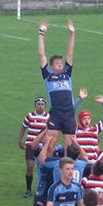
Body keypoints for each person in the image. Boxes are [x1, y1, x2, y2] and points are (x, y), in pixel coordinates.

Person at [38, 18, 77, 149]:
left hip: (69, 113)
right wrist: (41, 34)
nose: (60, 66)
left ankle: (69, 168)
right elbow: (41, 54)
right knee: (50, 144)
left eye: (61, 64)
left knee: (70, 146)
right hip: (56, 113)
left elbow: (70, 54)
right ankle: (48, 167)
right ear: (52, 66)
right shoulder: (48, 75)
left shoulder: (66, 74)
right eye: (57, 64)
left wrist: (72, 34)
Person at [73, 88, 103, 172]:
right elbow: (71, 112)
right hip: (80, 164)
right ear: (80, 120)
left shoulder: (95, 129)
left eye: (88, 118)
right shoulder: (76, 129)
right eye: (84, 118)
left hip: (92, 165)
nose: (87, 120)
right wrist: (80, 98)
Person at [18, 96, 49, 198]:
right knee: (30, 167)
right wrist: (20, 141)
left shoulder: (48, 117)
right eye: (38, 104)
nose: (40, 106)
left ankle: (42, 189)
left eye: (42, 104)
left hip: (42, 146)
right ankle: (28, 190)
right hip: (30, 145)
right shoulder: (30, 116)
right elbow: (23, 128)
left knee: (43, 168)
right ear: (35, 105)